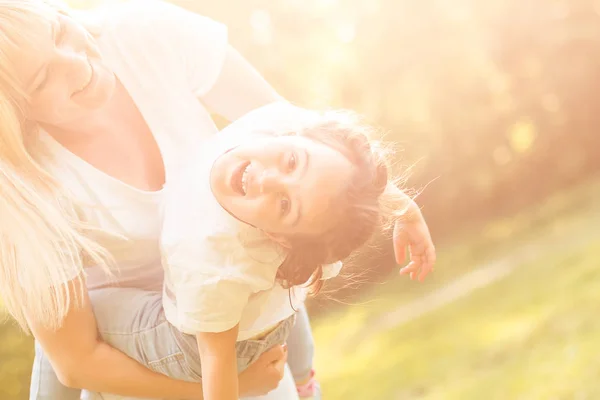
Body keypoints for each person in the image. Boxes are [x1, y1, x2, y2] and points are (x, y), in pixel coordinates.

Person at [0, 0, 434, 398]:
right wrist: (239, 385)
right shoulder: (20, 193)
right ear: (13, 112)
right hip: (158, 375)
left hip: (250, 343)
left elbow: (303, 142)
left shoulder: (139, 32)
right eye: (42, 79)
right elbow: (74, 363)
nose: (75, 65)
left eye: (60, 32)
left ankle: (305, 383)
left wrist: (395, 201)